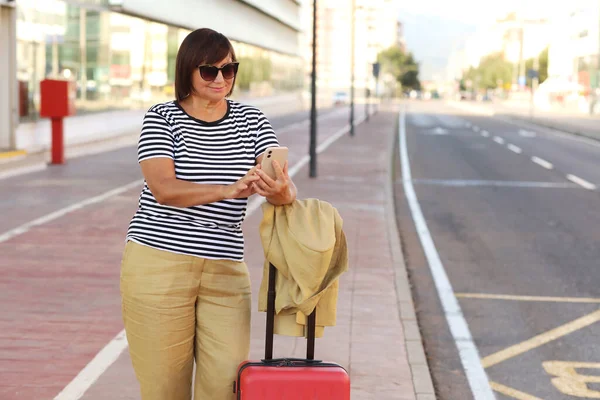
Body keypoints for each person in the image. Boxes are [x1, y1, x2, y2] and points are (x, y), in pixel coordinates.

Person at [119, 28, 297, 400]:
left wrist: (279, 189)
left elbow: (283, 189)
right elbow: (163, 189)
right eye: (209, 70)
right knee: (164, 387)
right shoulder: (162, 117)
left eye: (229, 69)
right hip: (158, 265)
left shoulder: (252, 120)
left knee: (226, 385)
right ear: (187, 71)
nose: (221, 79)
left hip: (225, 269)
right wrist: (227, 190)